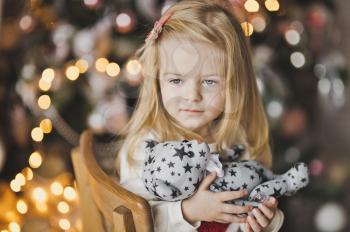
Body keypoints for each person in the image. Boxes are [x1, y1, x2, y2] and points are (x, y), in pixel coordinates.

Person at [115, 0, 284, 231]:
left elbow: (244, 212)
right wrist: (187, 211)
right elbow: (132, 222)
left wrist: (264, 220)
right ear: (157, 81)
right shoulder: (145, 148)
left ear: (235, 83)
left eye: (209, 82)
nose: (192, 96)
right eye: (176, 80)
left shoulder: (236, 143)